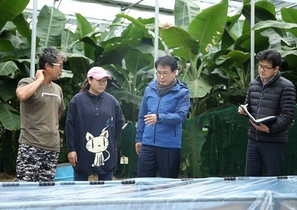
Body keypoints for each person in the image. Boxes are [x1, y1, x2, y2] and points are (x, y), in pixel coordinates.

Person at [238, 49, 296, 176]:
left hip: (274, 142)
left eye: (266, 67)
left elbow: (288, 115)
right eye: (260, 66)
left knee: (274, 180)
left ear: (276, 69)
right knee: (250, 180)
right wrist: (243, 110)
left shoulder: (286, 86)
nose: (261, 70)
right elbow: (248, 104)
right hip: (253, 140)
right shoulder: (253, 84)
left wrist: (269, 129)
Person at [135, 55, 191, 178]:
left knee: (169, 184)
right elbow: (142, 115)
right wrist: (139, 139)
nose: (161, 77)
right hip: (147, 144)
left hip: (169, 146)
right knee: (142, 183)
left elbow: (180, 116)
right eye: (158, 73)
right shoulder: (149, 89)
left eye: (165, 73)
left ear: (175, 72)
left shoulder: (183, 92)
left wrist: (159, 118)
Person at [15, 47, 66, 182]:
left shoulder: (58, 89)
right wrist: (39, 81)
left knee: (46, 190)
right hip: (31, 145)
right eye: (59, 66)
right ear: (47, 66)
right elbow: (21, 95)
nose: (62, 69)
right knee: (24, 188)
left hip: (52, 147)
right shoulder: (27, 82)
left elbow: (59, 112)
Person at [66, 67, 124, 181]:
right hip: (82, 152)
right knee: (79, 188)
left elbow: (119, 122)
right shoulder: (77, 101)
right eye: (99, 80)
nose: (102, 84)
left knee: (106, 189)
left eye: (105, 81)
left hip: (106, 151)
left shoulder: (112, 101)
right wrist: (71, 149)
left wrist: (111, 141)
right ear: (89, 80)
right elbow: (70, 126)